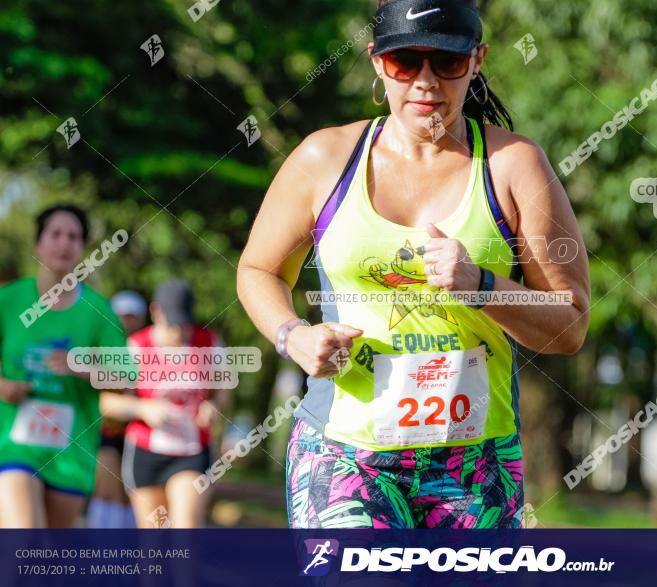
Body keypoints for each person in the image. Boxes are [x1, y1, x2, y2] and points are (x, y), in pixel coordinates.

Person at [237, 0, 590, 528]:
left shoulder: (514, 166)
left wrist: (481, 286)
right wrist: (293, 336)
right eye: (406, 62)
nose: (426, 82)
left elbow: (570, 325)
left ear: (477, 60)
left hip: (477, 462)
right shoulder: (323, 159)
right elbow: (258, 270)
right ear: (377, 62)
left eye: (446, 62)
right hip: (345, 453)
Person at [0, 204, 128, 528]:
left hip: (71, 454)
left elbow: (124, 379)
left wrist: (80, 367)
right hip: (13, 447)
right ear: (37, 244)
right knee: (24, 539)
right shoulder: (10, 299)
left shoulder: (99, 312)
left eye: (73, 236)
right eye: (55, 234)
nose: (64, 243)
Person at [115, 279, 227, 528]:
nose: (179, 332)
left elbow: (222, 393)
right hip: (146, 451)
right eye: (172, 324)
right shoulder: (136, 346)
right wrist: (143, 408)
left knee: (185, 529)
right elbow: (107, 402)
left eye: (184, 324)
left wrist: (213, 406)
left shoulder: (209, 343)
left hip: (192, 451)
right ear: (156, 312)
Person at [86, 291, 147, 528]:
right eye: (120, 315)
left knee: (129, 495)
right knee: (107, 488)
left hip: (140, 434)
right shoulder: (98, 348)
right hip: (106, 432)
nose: (125, 321)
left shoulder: (149, 348)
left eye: (131, 316)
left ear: (141, 319)